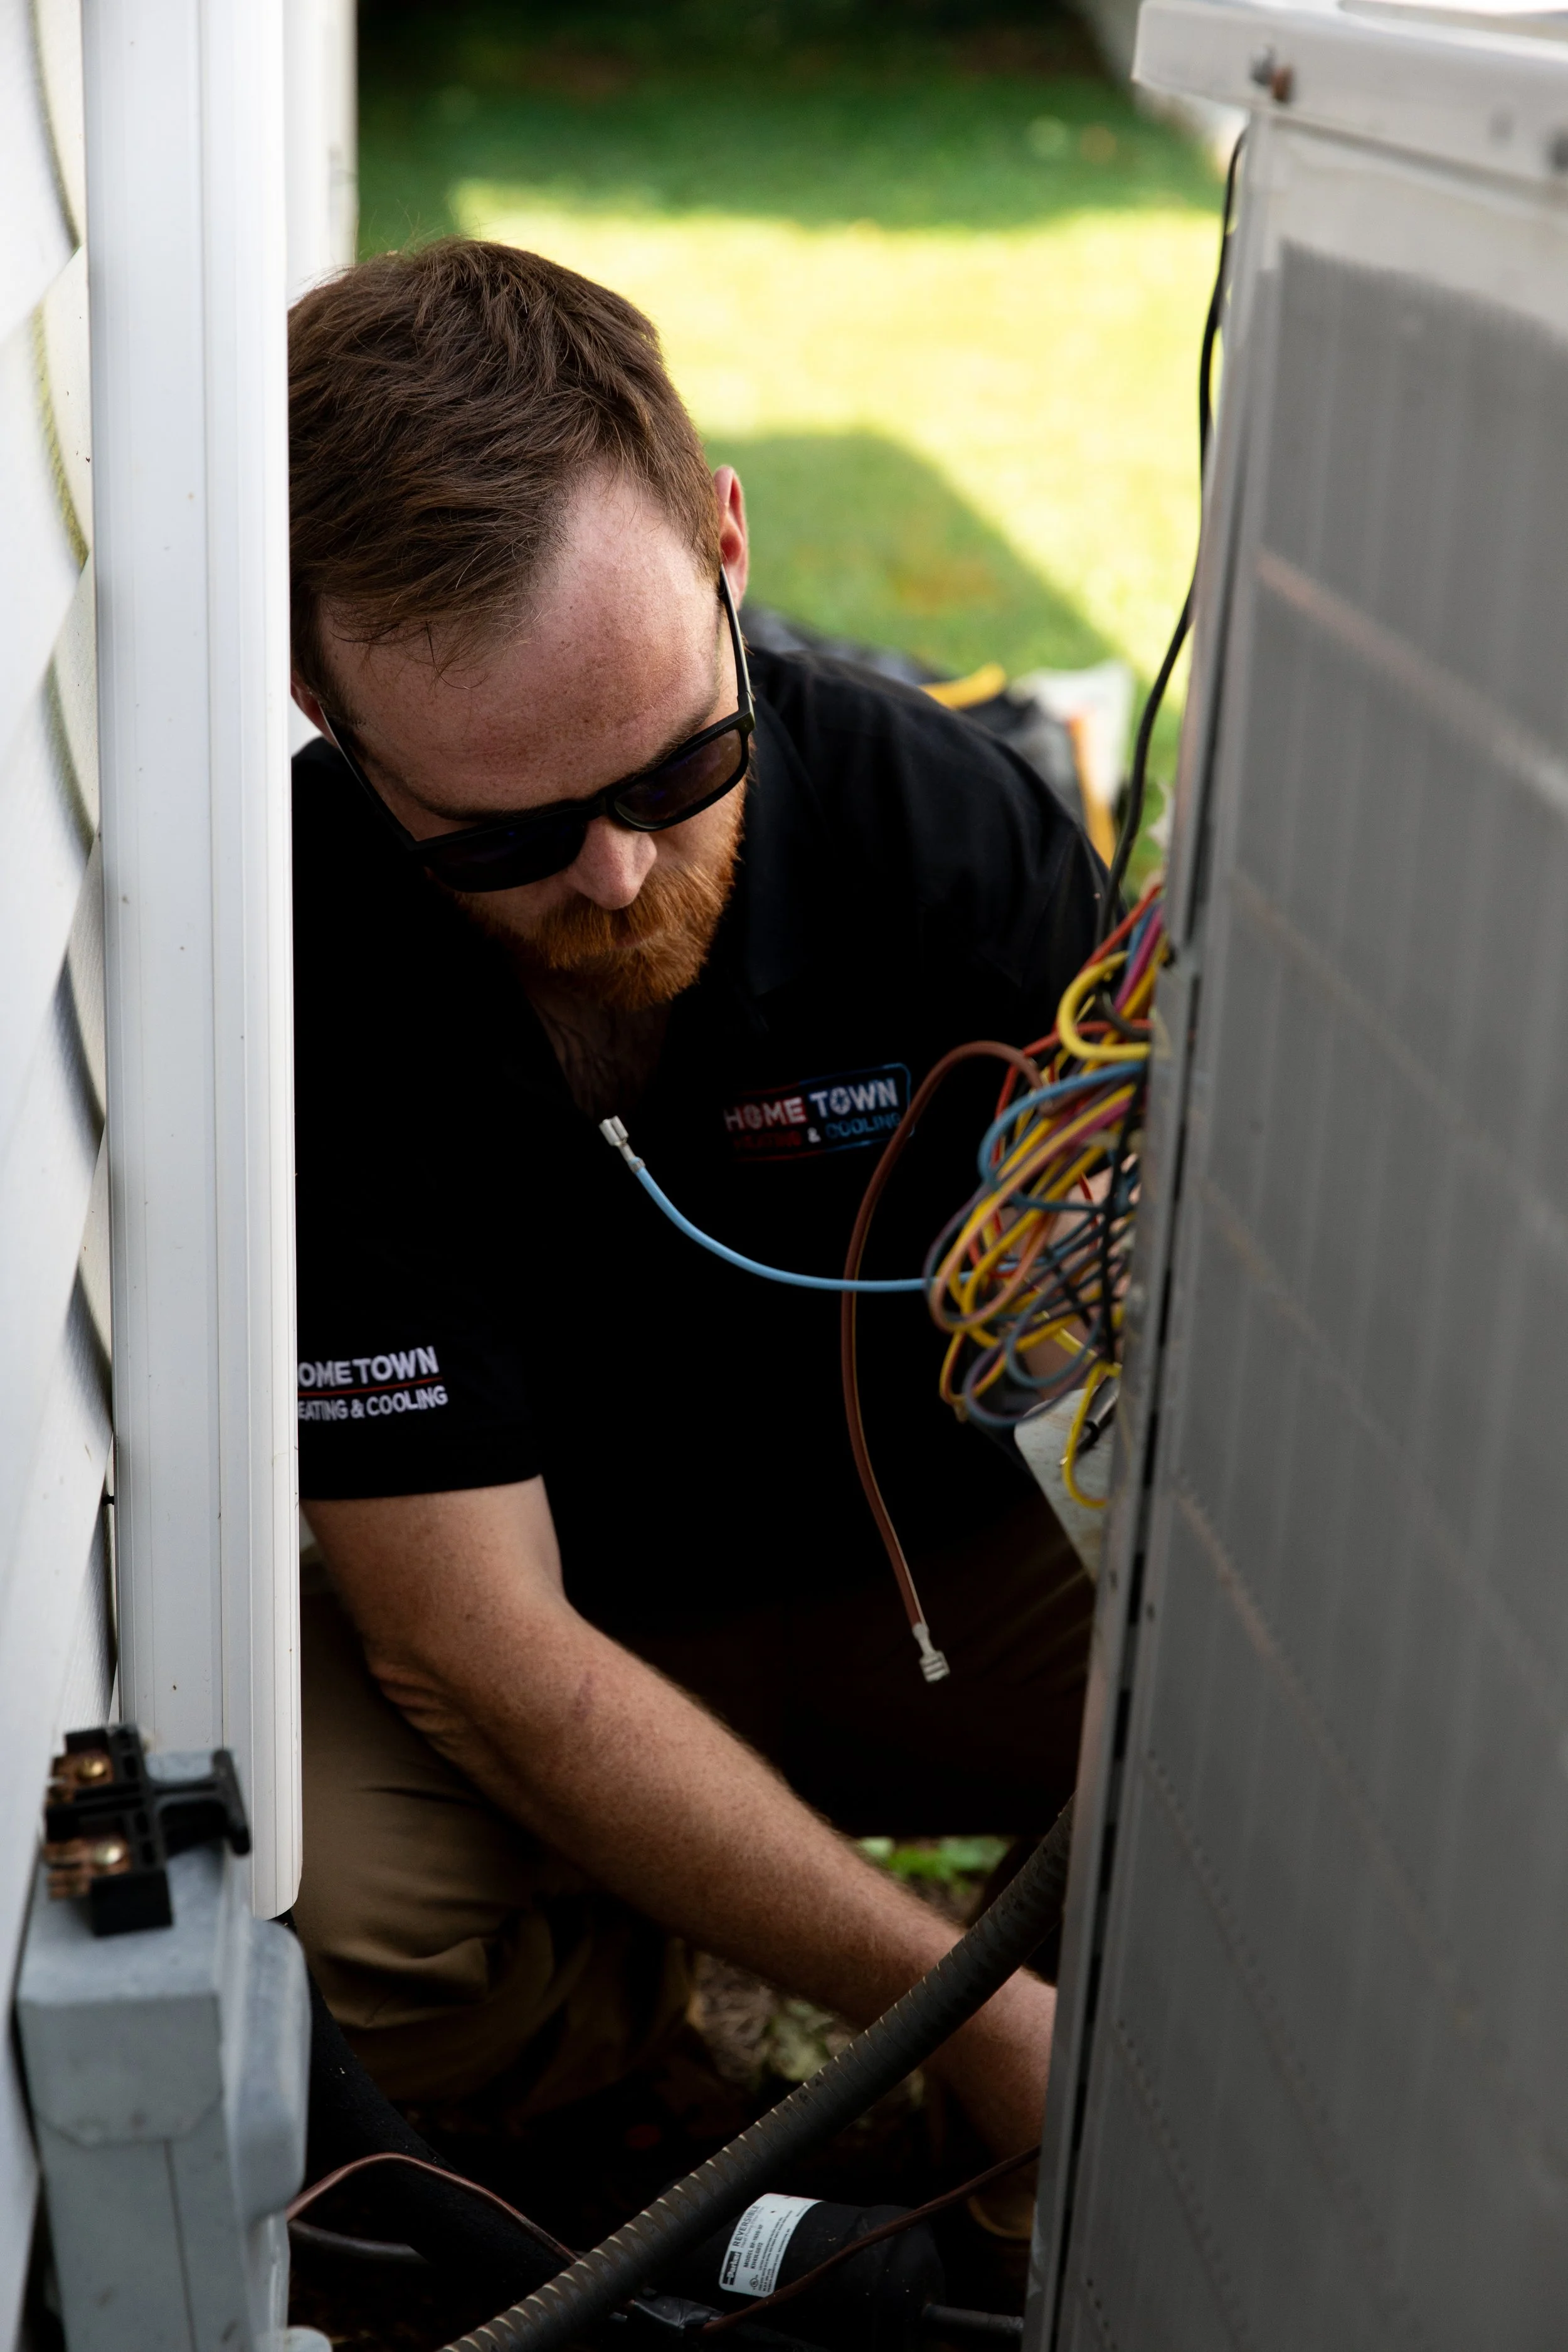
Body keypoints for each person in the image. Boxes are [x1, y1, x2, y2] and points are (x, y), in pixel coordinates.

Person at [287, 239, 1101, 2170]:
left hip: (943, 1590)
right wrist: (960, 2016)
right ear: (316, 696)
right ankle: (659, 2060)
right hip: (565, 1616)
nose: (613, 868)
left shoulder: (944, 832)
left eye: (681, 758)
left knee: (1372, 1764)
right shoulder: (299, 970)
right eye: (499, 831)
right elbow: (469, 1645)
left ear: (727, 539)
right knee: (348, 1930)